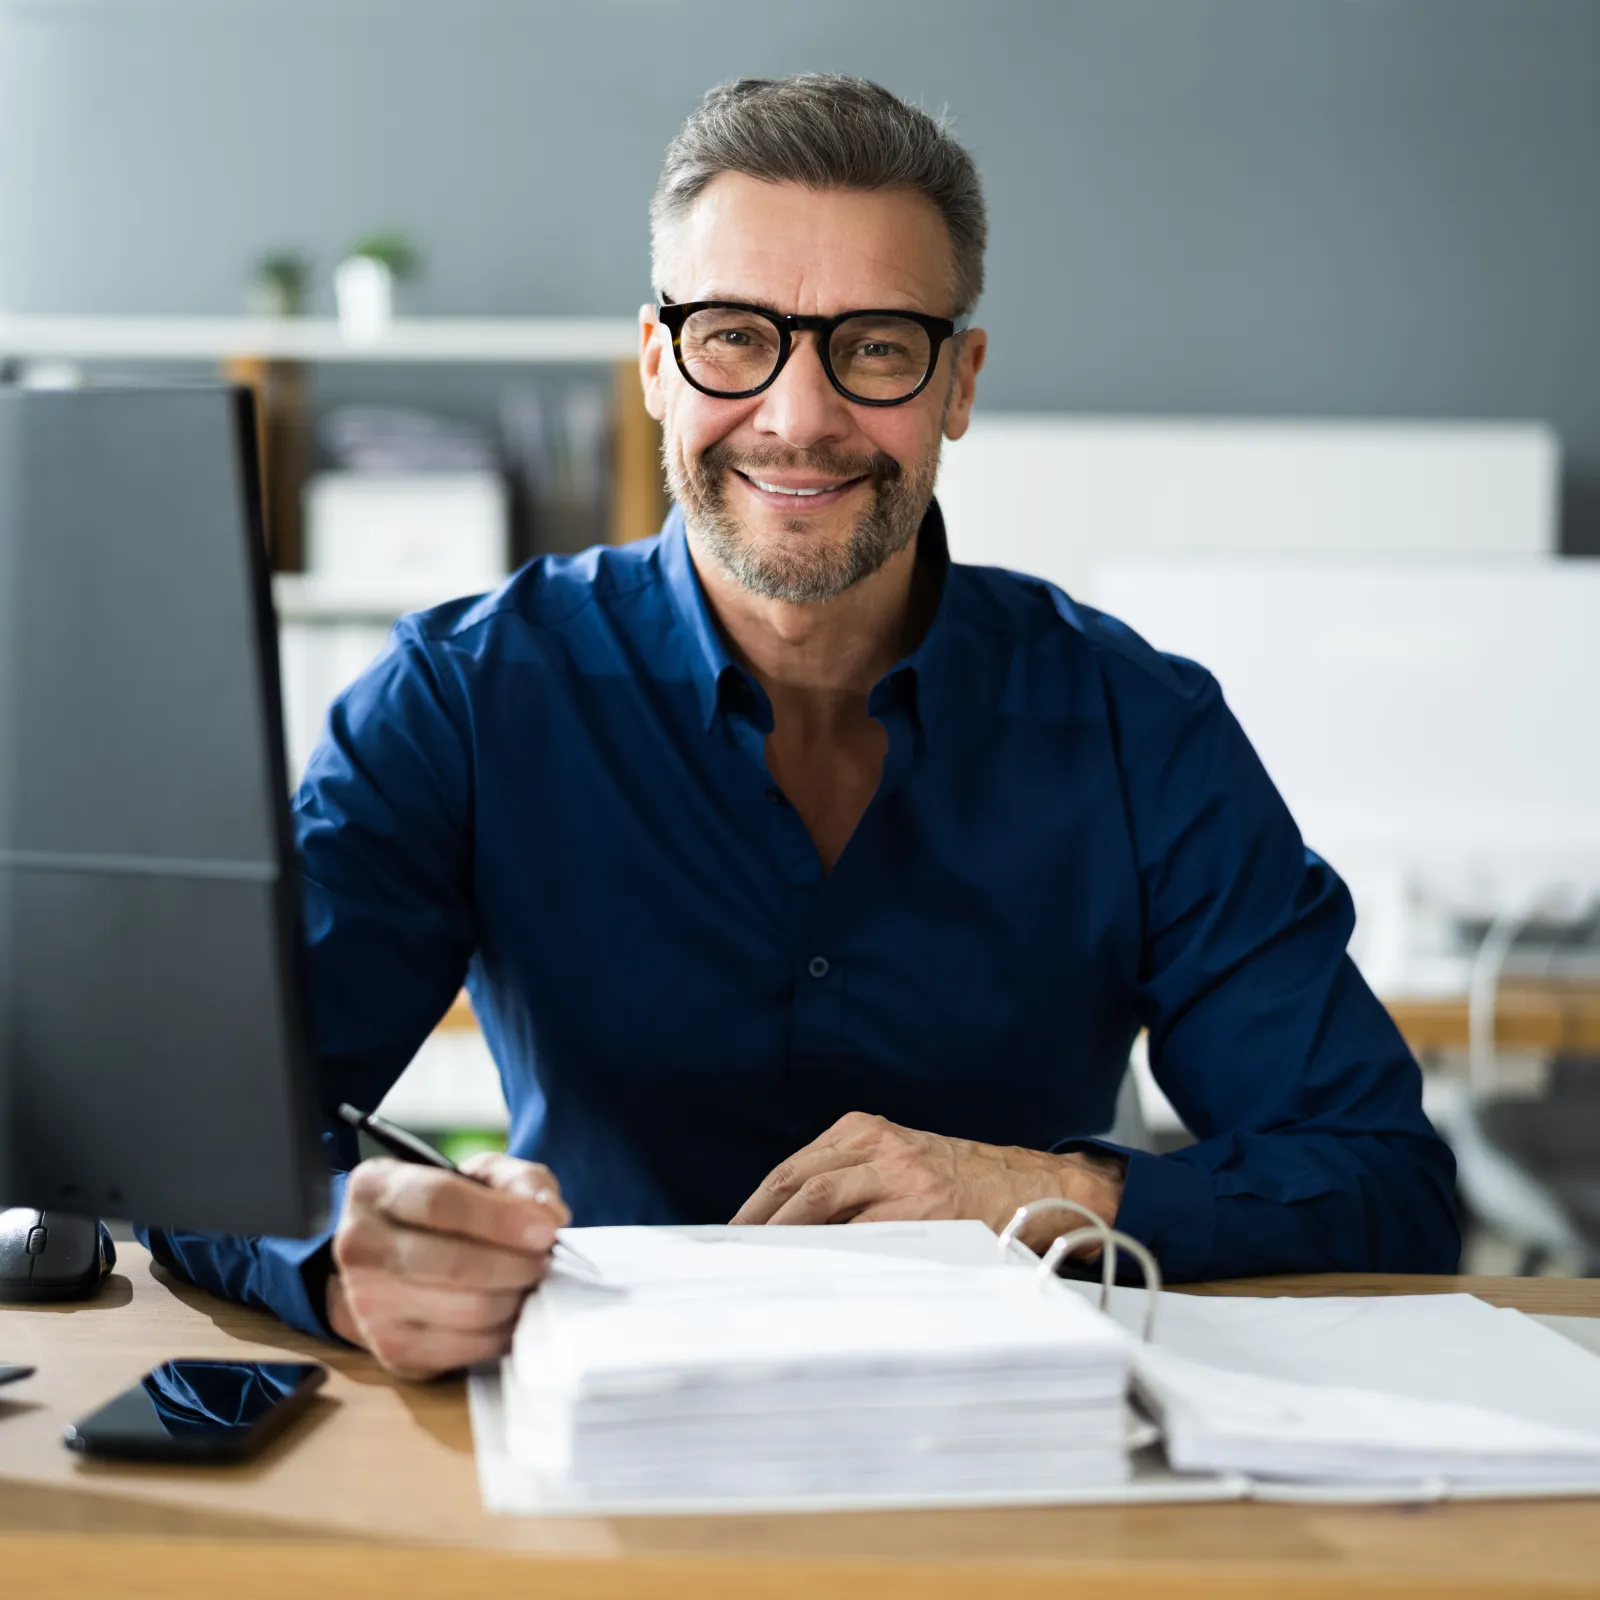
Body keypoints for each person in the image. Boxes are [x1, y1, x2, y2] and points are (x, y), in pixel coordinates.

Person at [144, 75, 1458, 1380]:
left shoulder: (1139, 725)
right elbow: (199, 1137)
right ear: (657, 363)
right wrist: (341, 1254)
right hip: (585, 1447)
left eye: (876, 344)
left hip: (1020, 1450)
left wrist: (1043, 1193)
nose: (800, 415)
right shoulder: (464, 696)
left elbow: (1382, 1183)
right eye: (733, 336)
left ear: (959, 382)